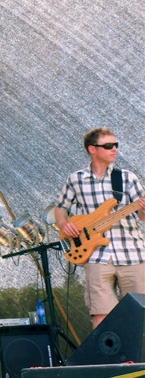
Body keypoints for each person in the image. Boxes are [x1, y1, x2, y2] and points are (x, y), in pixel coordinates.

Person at [55, 127, 145, 329]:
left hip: (132, 254)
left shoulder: (128, 178)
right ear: (92, 149)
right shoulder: (76, 179)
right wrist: (64, 224)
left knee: (139, 315)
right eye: (108, 145)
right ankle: (105, 360)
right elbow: (60, 209)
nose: (114, 149)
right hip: (95, 255)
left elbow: (142, 216)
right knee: (101, 316)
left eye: (115, 145)